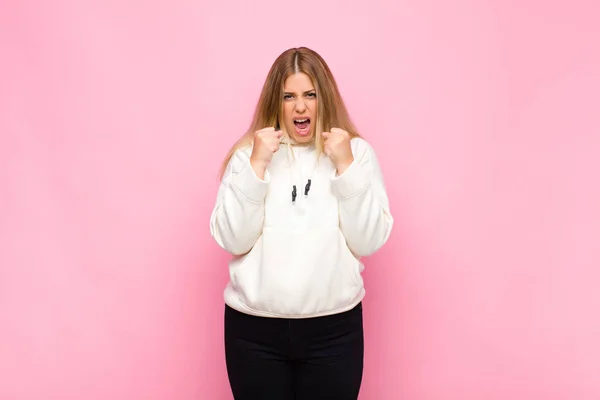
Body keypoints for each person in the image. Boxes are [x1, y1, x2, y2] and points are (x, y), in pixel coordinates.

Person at [209, 46, 393, 400]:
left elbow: (369, 240)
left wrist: (346, 167)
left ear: (324, 98)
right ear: (275, 103)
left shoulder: (356, 153)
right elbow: (233, 239)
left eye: (310, 95)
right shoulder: (248, 155)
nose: (300, 107)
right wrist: (257, 165)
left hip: (334, 332)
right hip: (253, 333)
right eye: (289, 96)